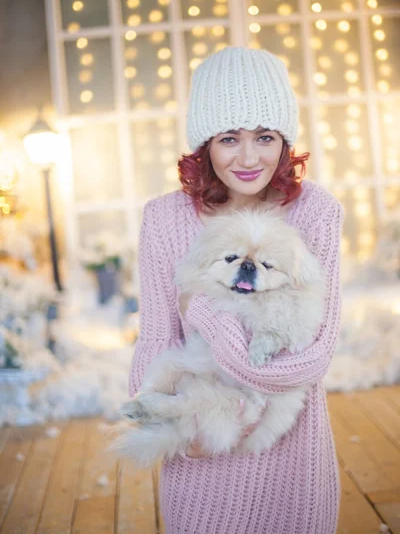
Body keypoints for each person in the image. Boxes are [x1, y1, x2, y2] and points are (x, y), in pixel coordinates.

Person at [128, 46, 344, 534]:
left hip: (292, 459)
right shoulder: (164, 220)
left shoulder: (316, 213)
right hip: (200, 444)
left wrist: (204, 311)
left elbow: (311, 359)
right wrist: (168, 429)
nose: (249, 158)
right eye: (229, 138)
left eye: (265, 137)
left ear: (284, 142)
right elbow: (157, 337)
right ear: (204, 145)